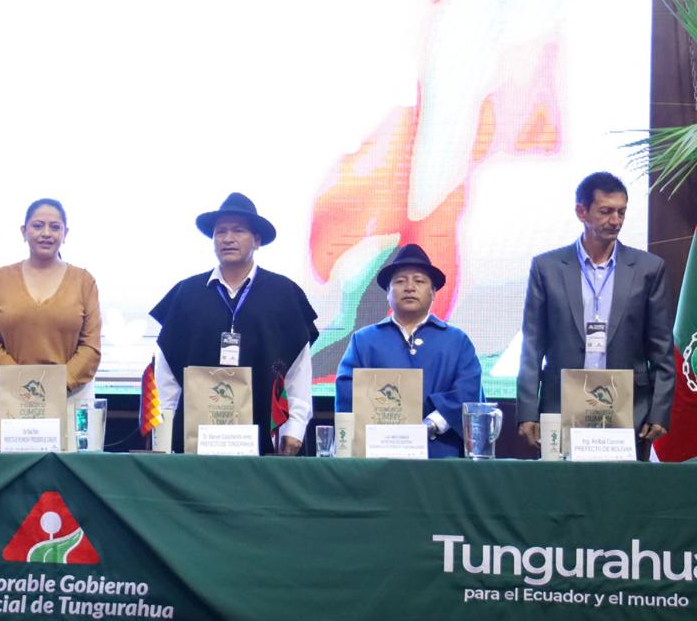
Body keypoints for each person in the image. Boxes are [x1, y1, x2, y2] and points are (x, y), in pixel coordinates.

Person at [517, 172, 674, 460]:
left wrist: (659, 412)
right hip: (561, 405)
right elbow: (532, 346)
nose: (615, 221)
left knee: (621, 488)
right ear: (581, 212)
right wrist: (527, 411)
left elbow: (661, 350)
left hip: (629, 409)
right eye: (606, 211)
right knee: (562, 486)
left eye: (621, 212)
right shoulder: (547, 268)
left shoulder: (648, 269)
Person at [151, 192, 319, 455]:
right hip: (195, 440)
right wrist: (163, 433)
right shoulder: (186, 294)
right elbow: (166, 372)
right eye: (220, 232)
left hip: (265, 438)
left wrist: (295, 427)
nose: (228, 238)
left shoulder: (284, 294)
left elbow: (298, 369)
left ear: (257, 240)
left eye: (238, 230)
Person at [334, 243, 482, 458]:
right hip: (377, 455)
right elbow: (347, 392)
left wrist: (430, 425)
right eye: (400, 281)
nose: (409, 287)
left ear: (433, 292)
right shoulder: (364, 340)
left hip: (440, 455)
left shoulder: (457, 341)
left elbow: (468, 391)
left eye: (419, 281)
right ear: (387, 292)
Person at [0, 198, 102, 414]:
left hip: (70, 397)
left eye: (55, 227)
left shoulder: (84, 281)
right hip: (16, 396)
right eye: (37, 225)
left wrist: (57, 385)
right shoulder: (1, 278)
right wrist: (21, 381)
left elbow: (91, 347)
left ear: (65, 233)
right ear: (24, 231)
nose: (46, 233)